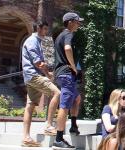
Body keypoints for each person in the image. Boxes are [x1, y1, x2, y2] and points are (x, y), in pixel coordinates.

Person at [20, 20, 60, 147]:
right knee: (57, 93)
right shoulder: (32, 41)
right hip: (34, 75)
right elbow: (38, 63)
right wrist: (48, 73)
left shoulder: (36, 41)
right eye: (45, 29)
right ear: (38, 28)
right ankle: (48, 125)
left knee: (30, 105)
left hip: (29, 76)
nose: (46, 32)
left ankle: (26, 137)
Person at [51, 12, 84, 148]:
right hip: (66, 74)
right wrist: (73, 66)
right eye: (77, 22)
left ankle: (73, 125)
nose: (79, 24)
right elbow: (68, 48)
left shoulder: (60, 36)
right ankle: (59, 139)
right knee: (64, 106)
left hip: (60, 74)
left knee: (77, 99)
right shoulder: (68, 34)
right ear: (70, 22)